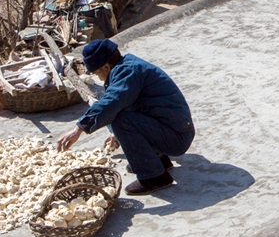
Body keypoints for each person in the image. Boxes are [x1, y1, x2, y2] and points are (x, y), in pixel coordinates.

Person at [56, 39, 195, 194]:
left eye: (97, 74)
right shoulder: (127, 65)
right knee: (117, 117)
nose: (100, 79)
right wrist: (115, 133)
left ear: (106, 66)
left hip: (176, 137)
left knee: (120, 119)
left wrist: (78, 129)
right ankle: (157, 160)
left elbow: (111, 104)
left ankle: (153, 177)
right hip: (173, 129)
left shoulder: (128, 72)